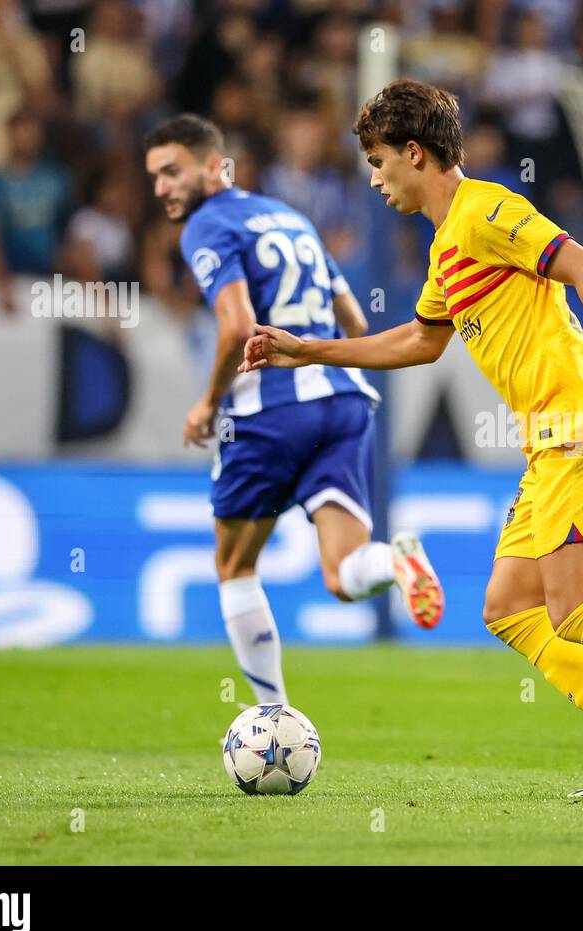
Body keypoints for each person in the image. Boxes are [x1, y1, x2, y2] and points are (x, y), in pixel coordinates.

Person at [239, 79, 583, 799]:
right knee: (507, 606)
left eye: (379, 163)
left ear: (415, 152)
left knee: (576, 610)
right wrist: (308, 350)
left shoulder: (489, 209)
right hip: (547, 437)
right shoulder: (446, 249)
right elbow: (419, 339)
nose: (375, 181)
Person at [143, 113, 444, 708]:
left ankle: (273, 716)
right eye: (154, 177)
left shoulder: (205, 226)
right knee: (344, 573)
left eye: (172, 171)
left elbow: (234, 326)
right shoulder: (290, 218)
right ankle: (397, 560)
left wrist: (207, 404)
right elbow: (356, 322)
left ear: (212, 166)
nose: (162, 188)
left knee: (234, 566)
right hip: (345, 403)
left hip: (270, 412)